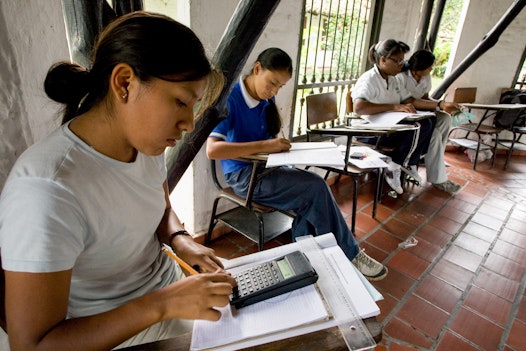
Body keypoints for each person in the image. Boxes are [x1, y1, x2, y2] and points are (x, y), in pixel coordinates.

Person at [0, 12, 237, 351]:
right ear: (125, 83)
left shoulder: (145, 144)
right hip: (117, 333)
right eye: (180, 102)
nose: (188, 123)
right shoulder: (47, 191)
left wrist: (181, 238)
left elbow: (160, 207)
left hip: (169, 297)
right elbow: (33, 345)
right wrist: (163, 303)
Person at [206, 47, 387, 281]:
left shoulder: (264, 99)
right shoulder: (232, 99)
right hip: (244, 177)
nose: (274, 92)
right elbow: (213, 150)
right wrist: (266, 146)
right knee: (315, 187)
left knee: (310, 198)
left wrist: (277, 146)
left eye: (280, 87)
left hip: (266, 167)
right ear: (257, 68)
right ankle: (348, 254)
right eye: (272, 83)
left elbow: (265, 142)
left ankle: (304, 257)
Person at [352, 39, 437, 195]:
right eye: (398, 61)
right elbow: (359, 107)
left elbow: (408, 100)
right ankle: (397, 165)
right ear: (383, 59)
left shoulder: (392, 79)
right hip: (369, 132)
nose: (401, 65)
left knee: (428, 121)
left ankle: (403, 163)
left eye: (402, 61)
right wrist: (393, 107)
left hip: (387, 126)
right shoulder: (369, 79)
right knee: (418, 128)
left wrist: (438, 105)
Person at [397, 49, 462, 193]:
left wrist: (442, 104)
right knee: (435, 135)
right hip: (407, 114)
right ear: (419, 67)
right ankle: (438, 179)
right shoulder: (401, 77)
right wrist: (440, 105)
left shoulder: (425, 77)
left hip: (422, 111)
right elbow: (410, 101)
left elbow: (426, 98)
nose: (431, 69)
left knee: (445, 118)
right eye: (429, 67)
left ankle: (433, 157)